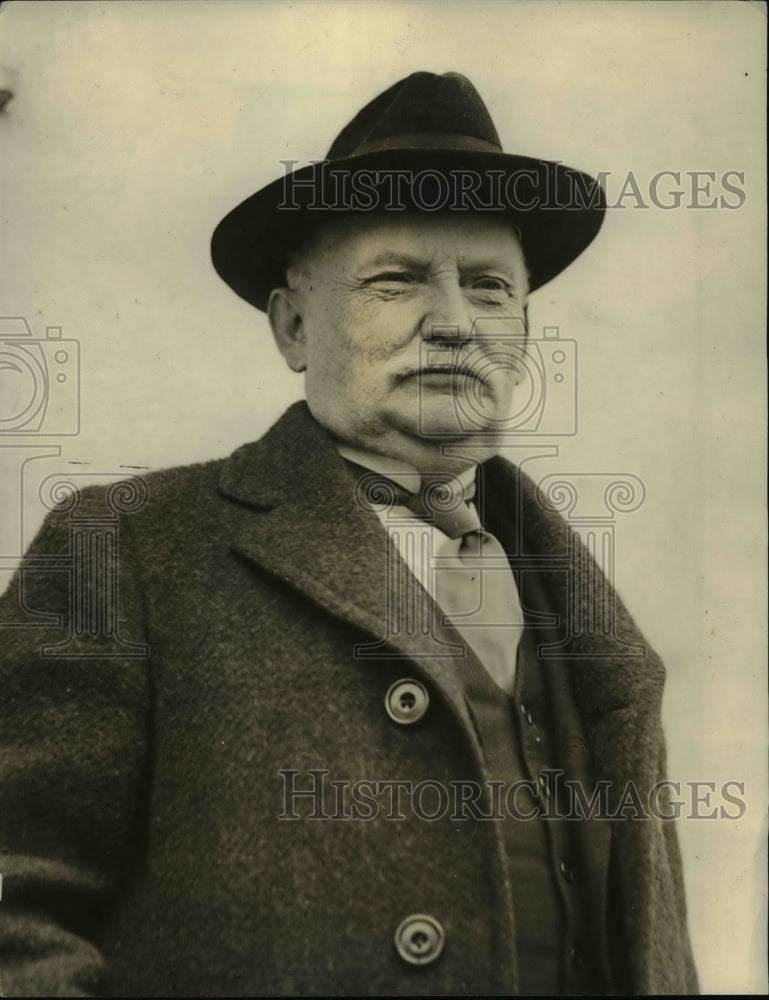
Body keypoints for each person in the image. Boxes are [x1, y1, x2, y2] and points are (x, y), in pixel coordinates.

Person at [0, 71, 697, 996]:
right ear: (293, 326)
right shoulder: (124, 549)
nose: (452, 323)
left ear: (524, 327)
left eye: (488, 287)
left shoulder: (580, 607)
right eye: (396, 281)